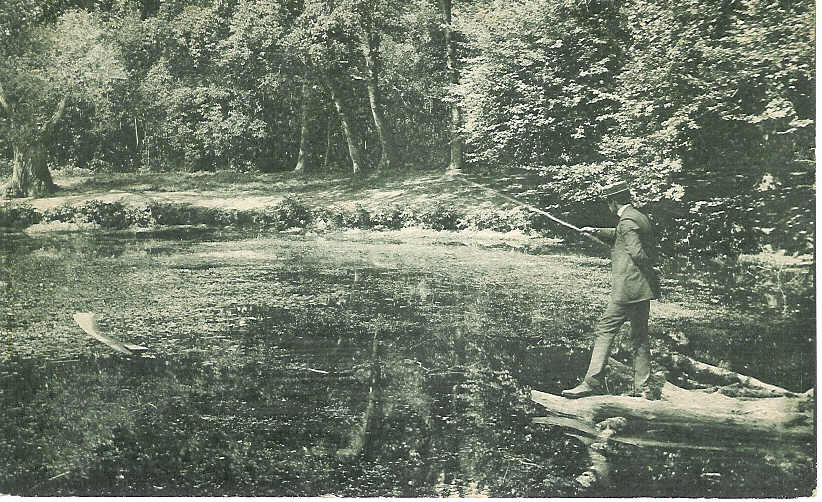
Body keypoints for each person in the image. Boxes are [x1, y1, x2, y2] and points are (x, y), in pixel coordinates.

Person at [562, 181, 661, 399]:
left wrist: (649, 270)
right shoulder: (637, 216)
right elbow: (621, 235)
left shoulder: (626, 222)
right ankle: (643, 389)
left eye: (608, 203)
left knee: (604, 329)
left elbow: (636, 252)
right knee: (640, 338)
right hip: (642, 289)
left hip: (628, 290)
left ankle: (591, 382)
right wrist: (595, 231)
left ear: (612, 202)